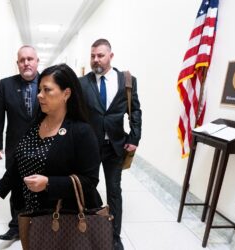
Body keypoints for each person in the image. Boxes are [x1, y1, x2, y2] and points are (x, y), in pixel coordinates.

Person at [0, 63, 102, 224]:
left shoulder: (81, 132)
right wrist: (1, 187)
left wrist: (49, 184)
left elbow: (90, 181)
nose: (39, 95)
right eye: (40, 89)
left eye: (47, 90)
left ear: (66, 93)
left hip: (64, 217)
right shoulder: (37, 123)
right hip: (32, 213)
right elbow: (20, 161)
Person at [79, 38, 142, 250]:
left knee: (114, 190)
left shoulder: (127, 81)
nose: (95, 60)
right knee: (87, 188)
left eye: (100, 55)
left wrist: (134, 138)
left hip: (115, 145)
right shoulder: (82, 83)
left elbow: (135, 110)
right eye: (93, 56)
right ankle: (92, 227)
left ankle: (114, 235)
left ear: (111, 56)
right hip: (89, 147)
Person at [0, 45, 39, 240]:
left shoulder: (48, 82)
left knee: (40, 184)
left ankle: (39, 222)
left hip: (42, 144)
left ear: (37, 61)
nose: (26, 63)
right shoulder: (6, 85)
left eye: (30, 59)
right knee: (16, 185)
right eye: (22, 60)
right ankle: (16, 226)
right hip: (15, 145)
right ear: (17, 63)